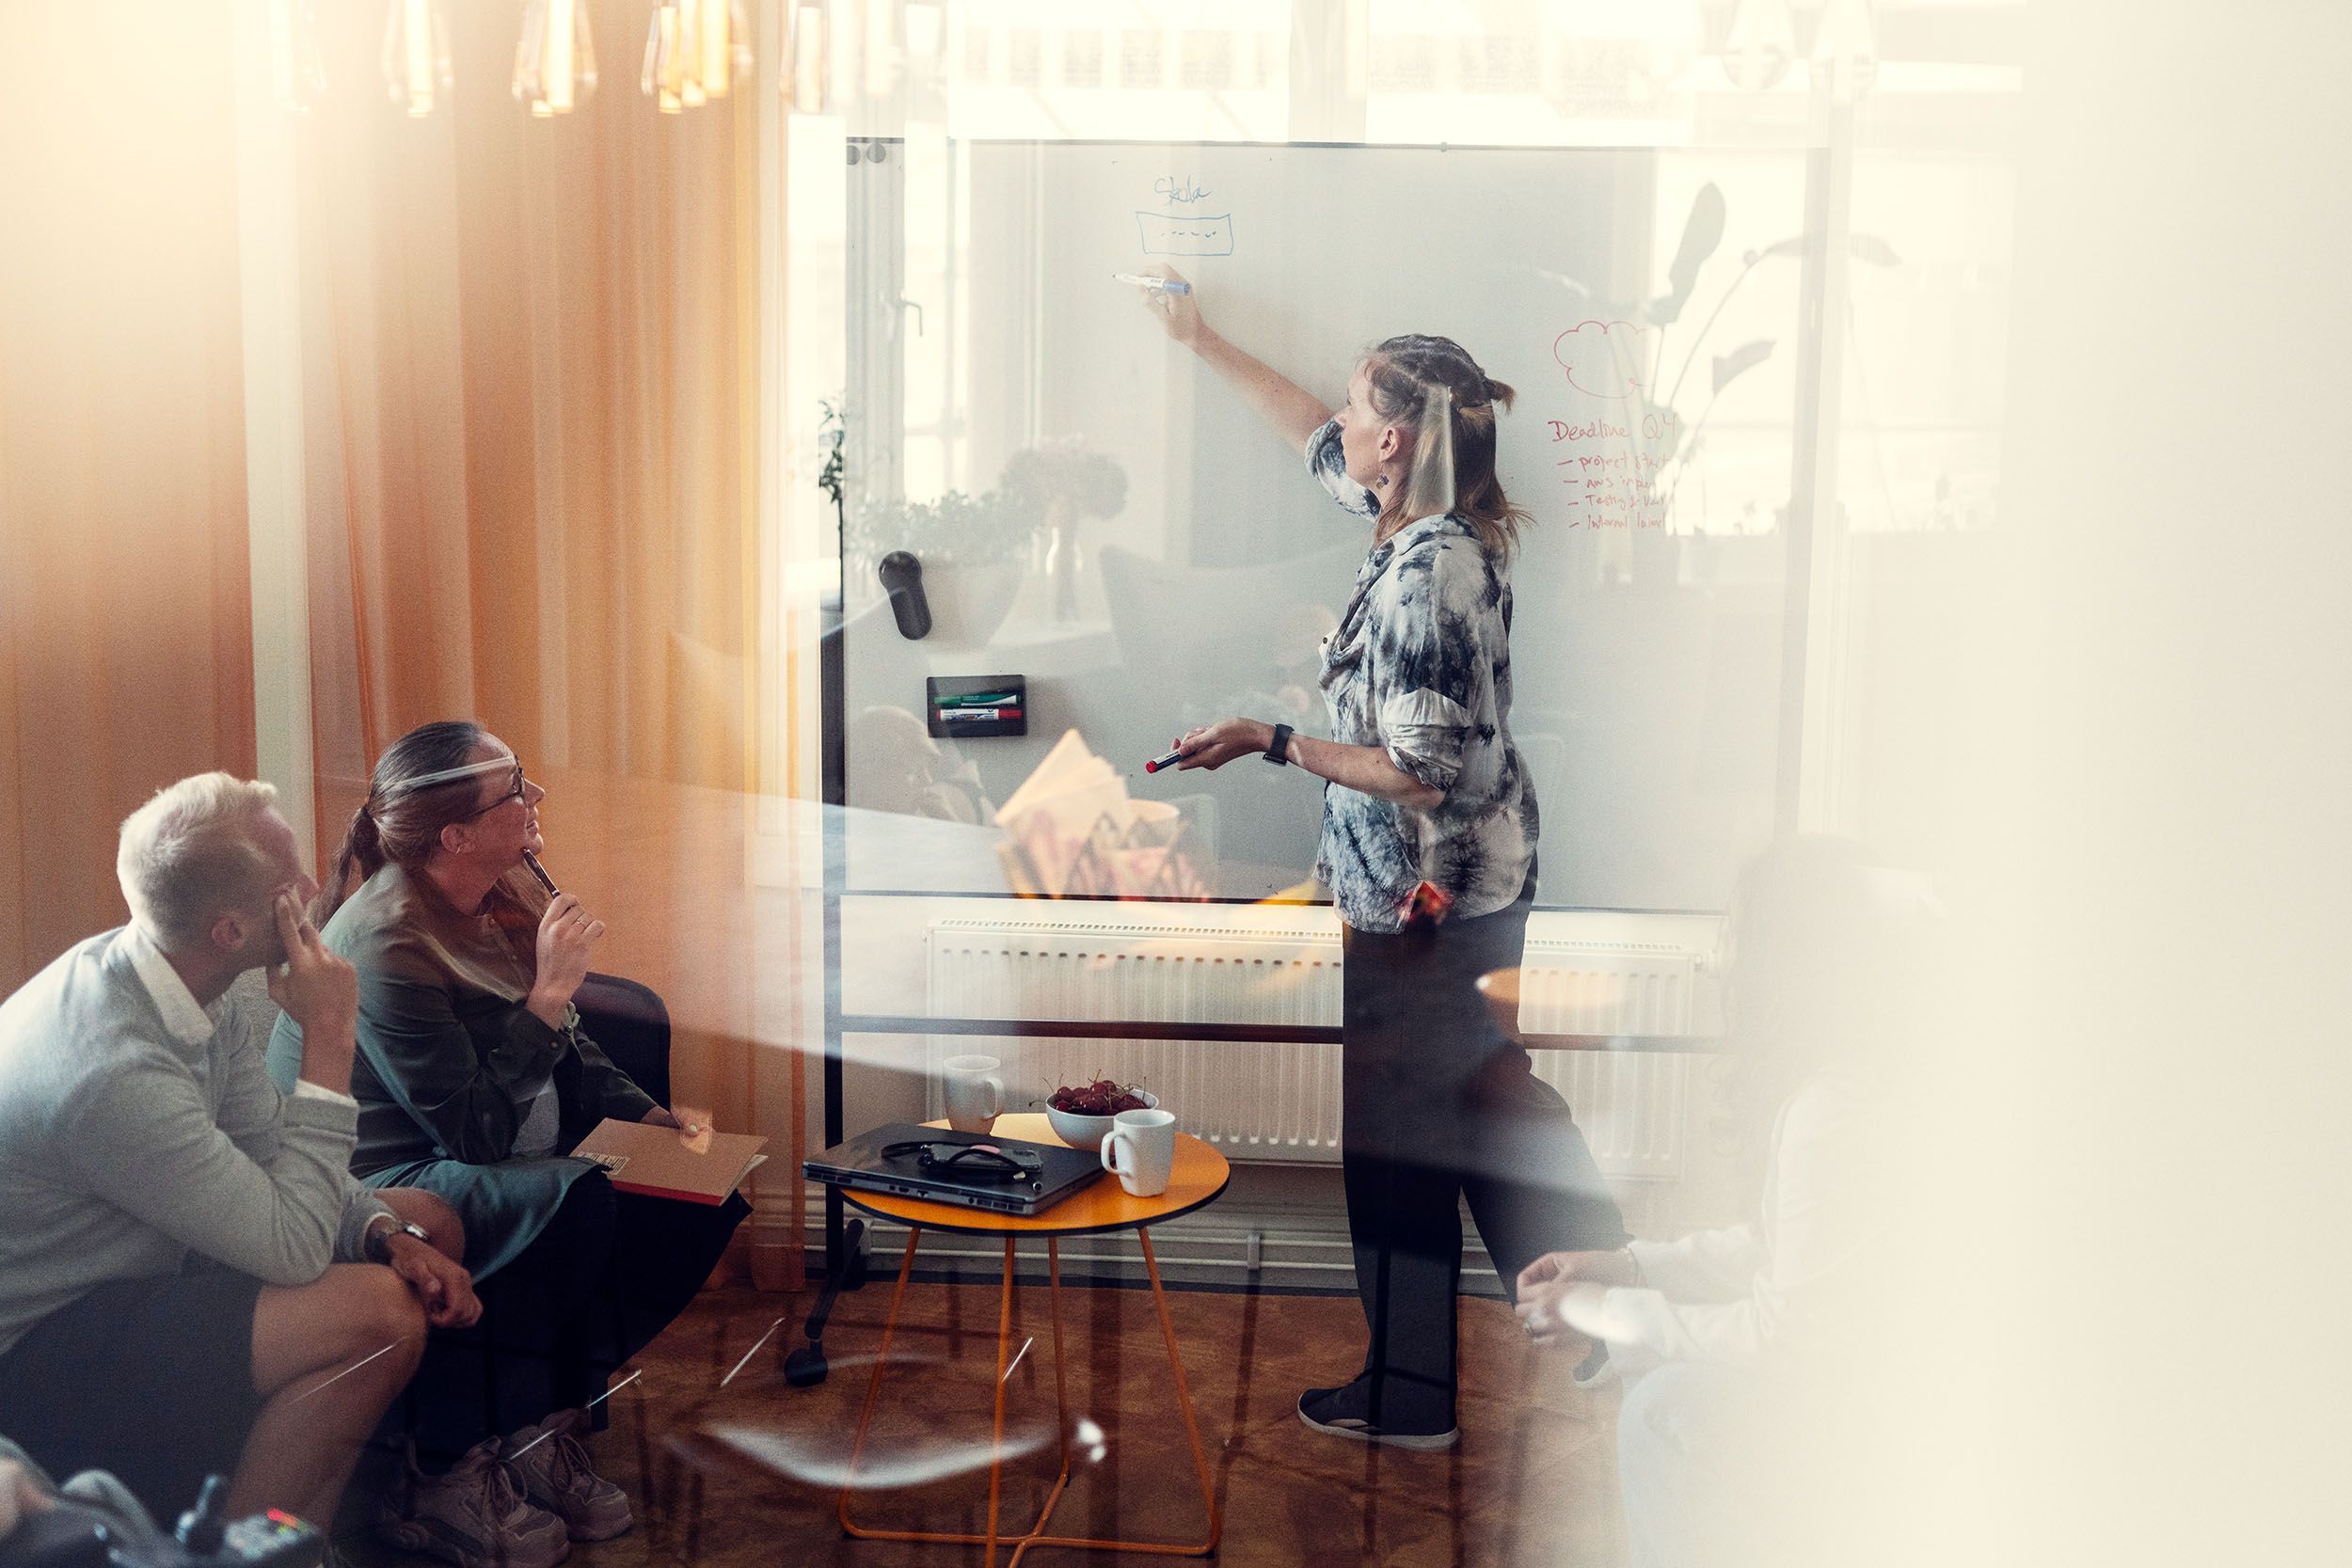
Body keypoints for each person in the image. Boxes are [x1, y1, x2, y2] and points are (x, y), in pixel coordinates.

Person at [1142, 269, 1629, 1449]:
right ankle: (1610, 1308)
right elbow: (1303, 422)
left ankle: (1430, 1387)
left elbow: (1421, 766)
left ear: (1398, 441)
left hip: (1431, 904)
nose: (1342, 429)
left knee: (1410, 1145)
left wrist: (1269, 737)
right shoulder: (1414, 516)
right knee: (1483, 1112)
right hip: (1447, 895)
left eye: (1361, 413)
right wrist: (1202, 338)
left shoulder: (1429, 574)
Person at [271, 721, 748, 1566]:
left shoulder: (498, 891)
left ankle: (539, 1423)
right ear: (455, 834)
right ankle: (447, 1458)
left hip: (483, 1152)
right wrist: (549, 989)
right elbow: (470, 1132)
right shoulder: (385, 942)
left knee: (707, 1192)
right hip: (389, 1177)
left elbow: (574, 1043)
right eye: (515, 791)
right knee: (577, 1198)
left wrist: (653, 1120)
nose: (535, 801)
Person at [0, 774, 478, 1528]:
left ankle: (336, 1519)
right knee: (379, 1313)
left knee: (427, 1223)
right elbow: (289, 1246)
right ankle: (237, 1550)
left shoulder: (180, 980)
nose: (317, 887)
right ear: (229, 928)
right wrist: (329, 1037)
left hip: (128, 1274)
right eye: (293, 882)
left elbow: (268, 1145)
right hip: (35, 1353)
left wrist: (386, 1233)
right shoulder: (114, 1072)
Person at [1515, 838, 1917, 1568]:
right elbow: (1776, 1250)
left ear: (1784, 965)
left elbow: (1786, 1336)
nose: (1723, 962)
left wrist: (1604, 1311)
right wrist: (1626, 1265)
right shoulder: (1849, 1084)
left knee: (1662, 1409)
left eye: (1736, 938)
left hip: (1881, 1408)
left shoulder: (1833, 1113)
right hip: (1875, 1379)